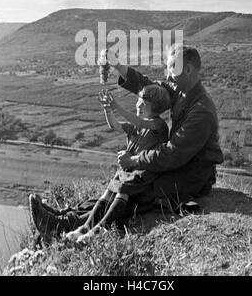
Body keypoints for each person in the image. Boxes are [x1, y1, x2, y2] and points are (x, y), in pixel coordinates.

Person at [29, 45, 224, 242]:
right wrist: (118, 66)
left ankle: (64, 225)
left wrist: (135, 160)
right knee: (124, 180)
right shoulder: (182, 91)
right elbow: (150, 89)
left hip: (192, 175)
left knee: (134, 185)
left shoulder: (201, 110)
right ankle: (66, 216)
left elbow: (172, 154)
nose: (168, 74)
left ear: (188, 69)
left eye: (172, 67)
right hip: (178, 164)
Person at [65, 84, 170, 244]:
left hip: (142, 173)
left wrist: (116, 106)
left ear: (153, 107)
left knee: (122, 191)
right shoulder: (137, 127)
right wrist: (108, 109)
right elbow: (114, 125)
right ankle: (85, 228)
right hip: (128, 171)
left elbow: (142, 122)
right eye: (139, 101)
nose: (139, 105)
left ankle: (97, 231)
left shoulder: (159, 126)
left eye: (143, 103)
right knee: (107, 193)